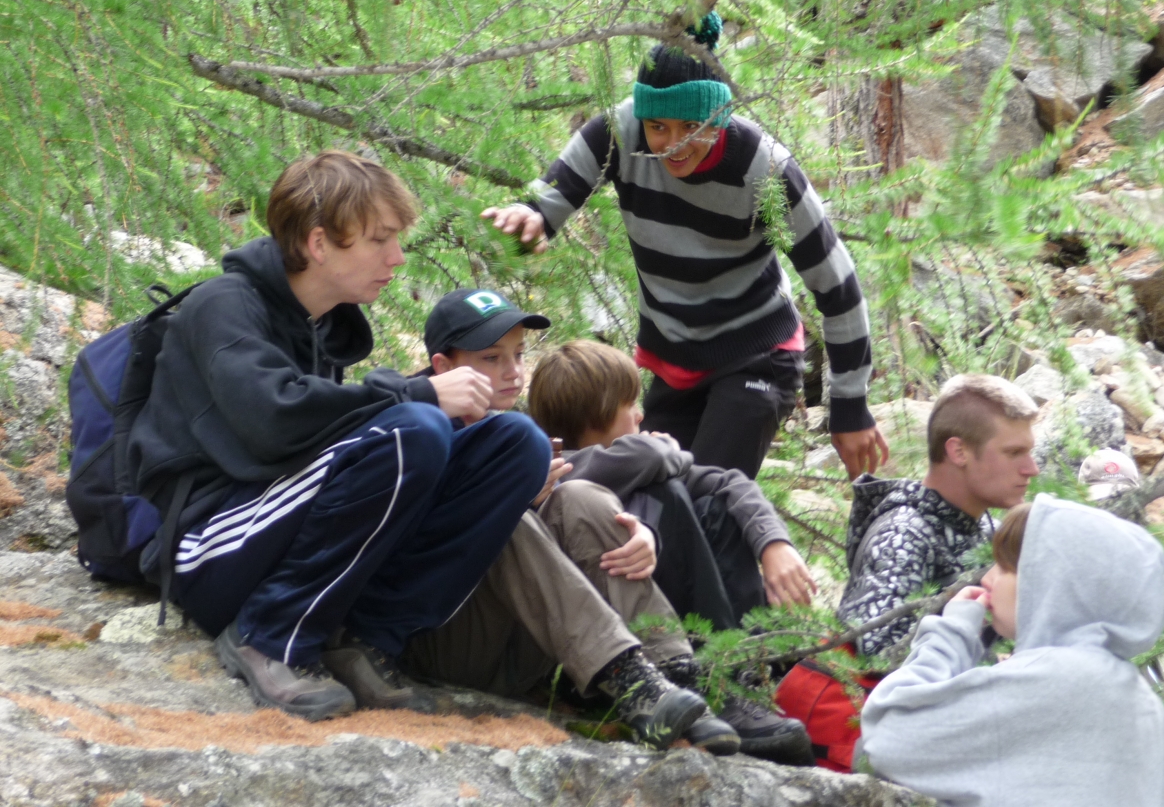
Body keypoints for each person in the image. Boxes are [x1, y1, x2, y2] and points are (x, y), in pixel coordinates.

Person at [125, 151, 704, 749]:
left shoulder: (319, 325)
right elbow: (272, 422)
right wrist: (419, 393)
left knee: (514, 442)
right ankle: (270, 636)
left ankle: (367, 642)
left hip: (270, 526)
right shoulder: (225, 303)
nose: (397, 257)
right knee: (413, 431)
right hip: (208, 546)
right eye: (380, 240)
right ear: (320, 243)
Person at [481, 12, 888, 482]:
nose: (673, 144)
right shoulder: (621, 131)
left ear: (719, 116)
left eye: (691, 126)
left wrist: (850, 406)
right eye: (658, 126)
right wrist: (529, 217)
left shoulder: (765, 169)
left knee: (705, 498)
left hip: (756, 356)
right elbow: (551, 195)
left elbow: (837, 285)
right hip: (673, 361)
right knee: (649, 494)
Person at [407, 288, 739, 755]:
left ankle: (674, 677)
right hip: (444, 642)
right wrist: (509, 502)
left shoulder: (517, 431)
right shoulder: (415, 429)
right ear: (443, 367)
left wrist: (643, 534)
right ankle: (629, 680)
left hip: (521, 645)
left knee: (578, 496)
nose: (512, 371)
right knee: (506, 518)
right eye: (491, 358)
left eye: (518, 354)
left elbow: (612, 478)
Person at [527, 338, 816, 764]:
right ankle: (716, 688)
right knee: (670, 491)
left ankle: (744, 674)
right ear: (597, 415)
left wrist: (774, 544)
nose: (640, 415)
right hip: (619, 651)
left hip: (668, 623)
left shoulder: (642, 460)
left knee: (715, 507)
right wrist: (661, 449)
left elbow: (731, 483)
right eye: (629, 405)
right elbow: (622, 461)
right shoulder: (556, 473)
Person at [860, 496, 1164, 806]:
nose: (988, 578)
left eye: (1006, 566)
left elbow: (890, 734)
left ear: (1055, 583)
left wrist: (952, 634)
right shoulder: (1146, 705)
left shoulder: (1058, 678)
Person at [838, 374, 1040, 656]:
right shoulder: (902, 535)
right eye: (1014, 452)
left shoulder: (987, 529)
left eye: (1029, 452)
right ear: (958, 451)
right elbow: (875, 656)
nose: (1032, 469)